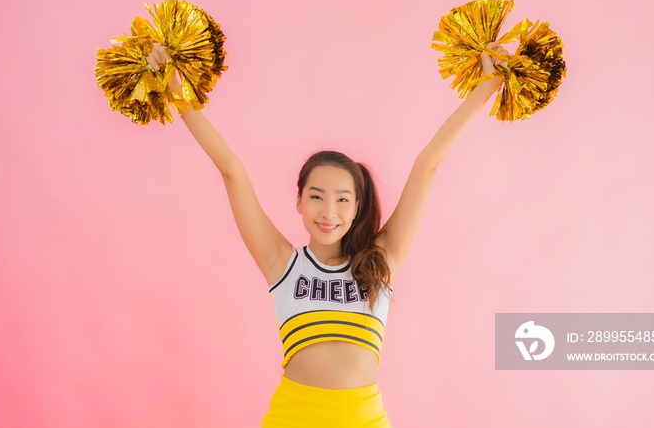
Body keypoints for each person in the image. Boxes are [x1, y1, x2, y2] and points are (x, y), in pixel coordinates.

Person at [147, 40, 509, 427]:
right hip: (293, 417)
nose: (329, 212)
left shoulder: (381, 261)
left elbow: (428, 164)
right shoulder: (281, 263)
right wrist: (175, 91)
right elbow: (231, 169)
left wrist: (487, 86)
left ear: (356, 208)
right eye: (316, 197)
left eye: (342, 200)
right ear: (299, 201)